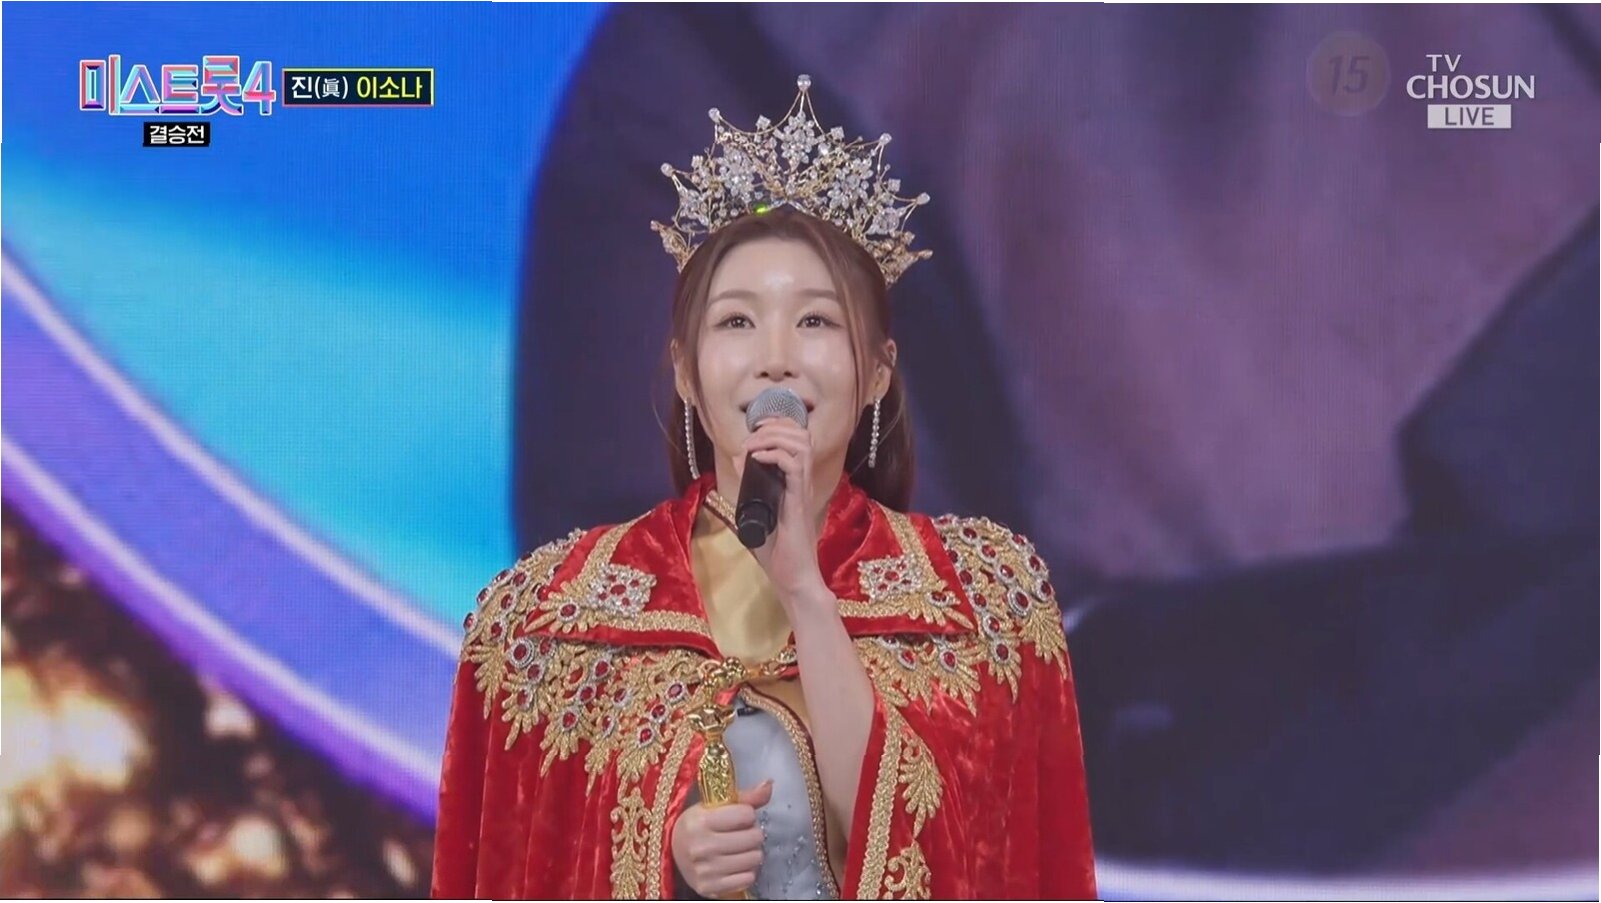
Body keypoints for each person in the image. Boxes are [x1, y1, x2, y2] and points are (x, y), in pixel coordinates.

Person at [431, 75, 1096, 900]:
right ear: (685, 370)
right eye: (736, 321)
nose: (775, 358)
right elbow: (517, 860)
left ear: (877, 371)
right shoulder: (553, 614)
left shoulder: (986, 596)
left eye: (815, 321)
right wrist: (671, 851)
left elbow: (975, 853)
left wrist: (805, 594)